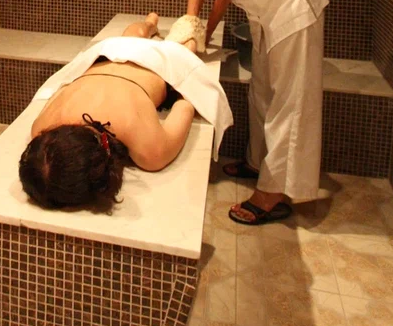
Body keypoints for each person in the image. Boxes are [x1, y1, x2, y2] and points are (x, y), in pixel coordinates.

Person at [158, 0, 328, 226]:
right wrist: (191, 24)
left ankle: (273, 193)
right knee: (261, 90)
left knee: (289, 101)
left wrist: (204, 35)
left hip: (291, 9)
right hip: (266, 13)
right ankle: (257, 163)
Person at [19, 13, 233, 211]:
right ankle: (150, 24)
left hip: (159, 63)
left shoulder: (151, 151)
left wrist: (174, 84)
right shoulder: (42, 126)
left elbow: (186, 103)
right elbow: (61, 91)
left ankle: (182, 34)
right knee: (133, 36)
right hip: (110, 51)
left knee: (186, 49)